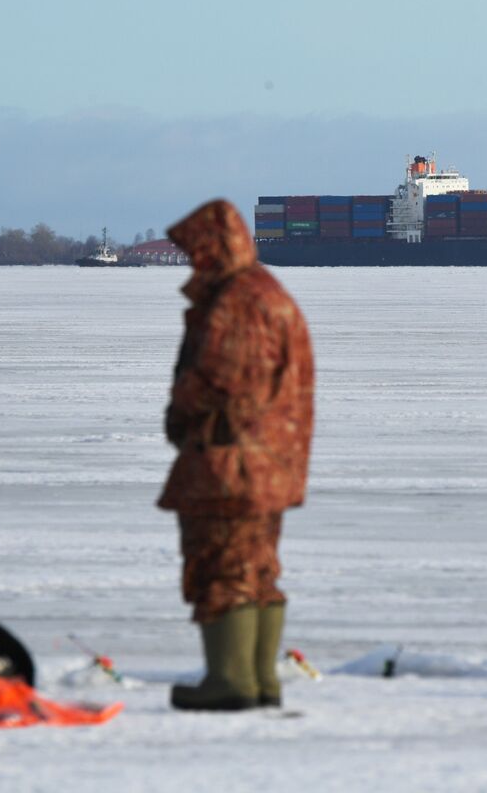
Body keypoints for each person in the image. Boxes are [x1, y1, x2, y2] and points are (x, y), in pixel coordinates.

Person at [160, 199, 314, 710]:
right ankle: (258, 680)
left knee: (223, 567)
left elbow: (222, 379)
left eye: (195, 251)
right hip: (270, 461)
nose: (192, 262)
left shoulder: (239, 300)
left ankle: (231, 682)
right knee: (256, 570)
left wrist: (181, 411)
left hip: (233, 460)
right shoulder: (269, 293)